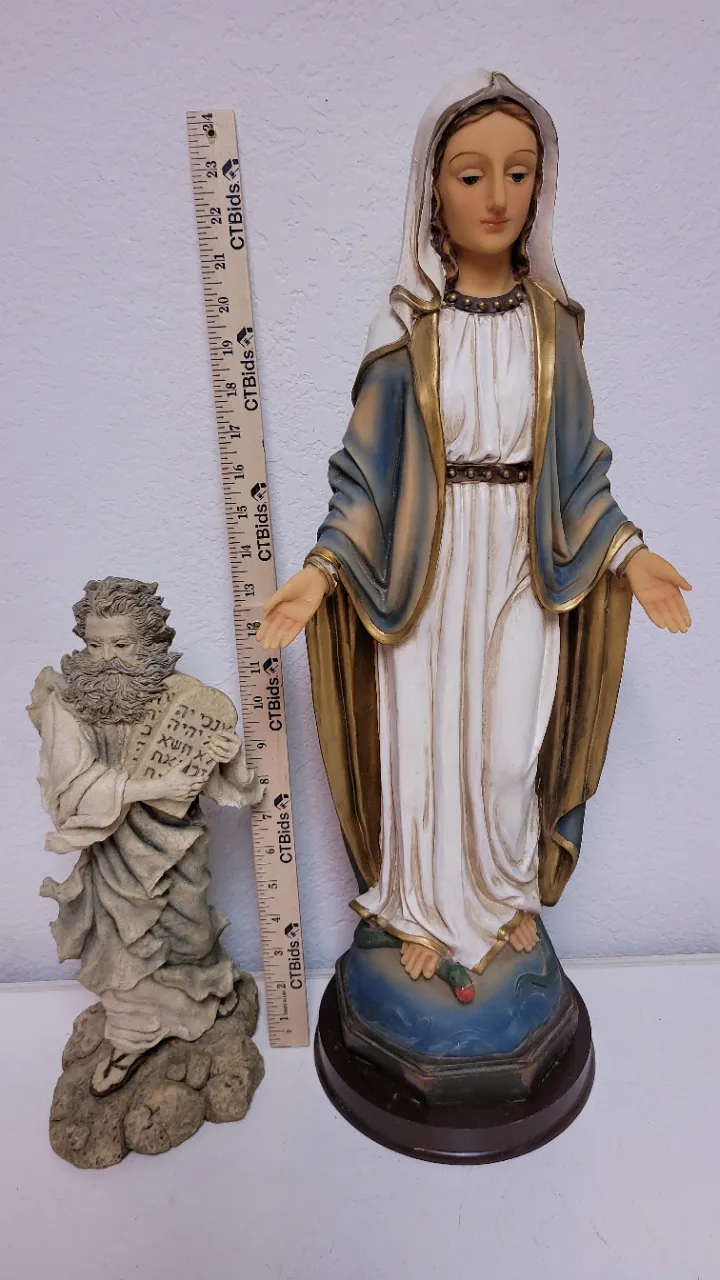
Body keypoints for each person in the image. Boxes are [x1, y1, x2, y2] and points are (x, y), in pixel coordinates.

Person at [257, 70, 692, 998]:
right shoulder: (405, 328)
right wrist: (322, 570)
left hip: (523, 559)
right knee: (422, 752)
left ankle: (499, 896)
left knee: (504, 757)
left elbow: (580, 468)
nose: (497, 196)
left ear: (542, 185)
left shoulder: (554, 328)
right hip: (427, 564)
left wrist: (631, 553)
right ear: (432, 189)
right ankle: (421, 912)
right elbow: (365, 472)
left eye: (518, 172)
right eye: (470, 174)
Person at [28, 577, 262, 1093]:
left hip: (179, 846)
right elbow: (72, 787)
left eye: (121, 644)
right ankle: (130, 1039)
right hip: (113, 854)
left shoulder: (182, 697)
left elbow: (224, 785)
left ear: (149, 643)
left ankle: (198, 1010)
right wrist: (151, 787)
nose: (106, 659)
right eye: (95, 645)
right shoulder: (67, 703)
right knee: (124, 953)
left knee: (191, 939)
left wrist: (229, 759)